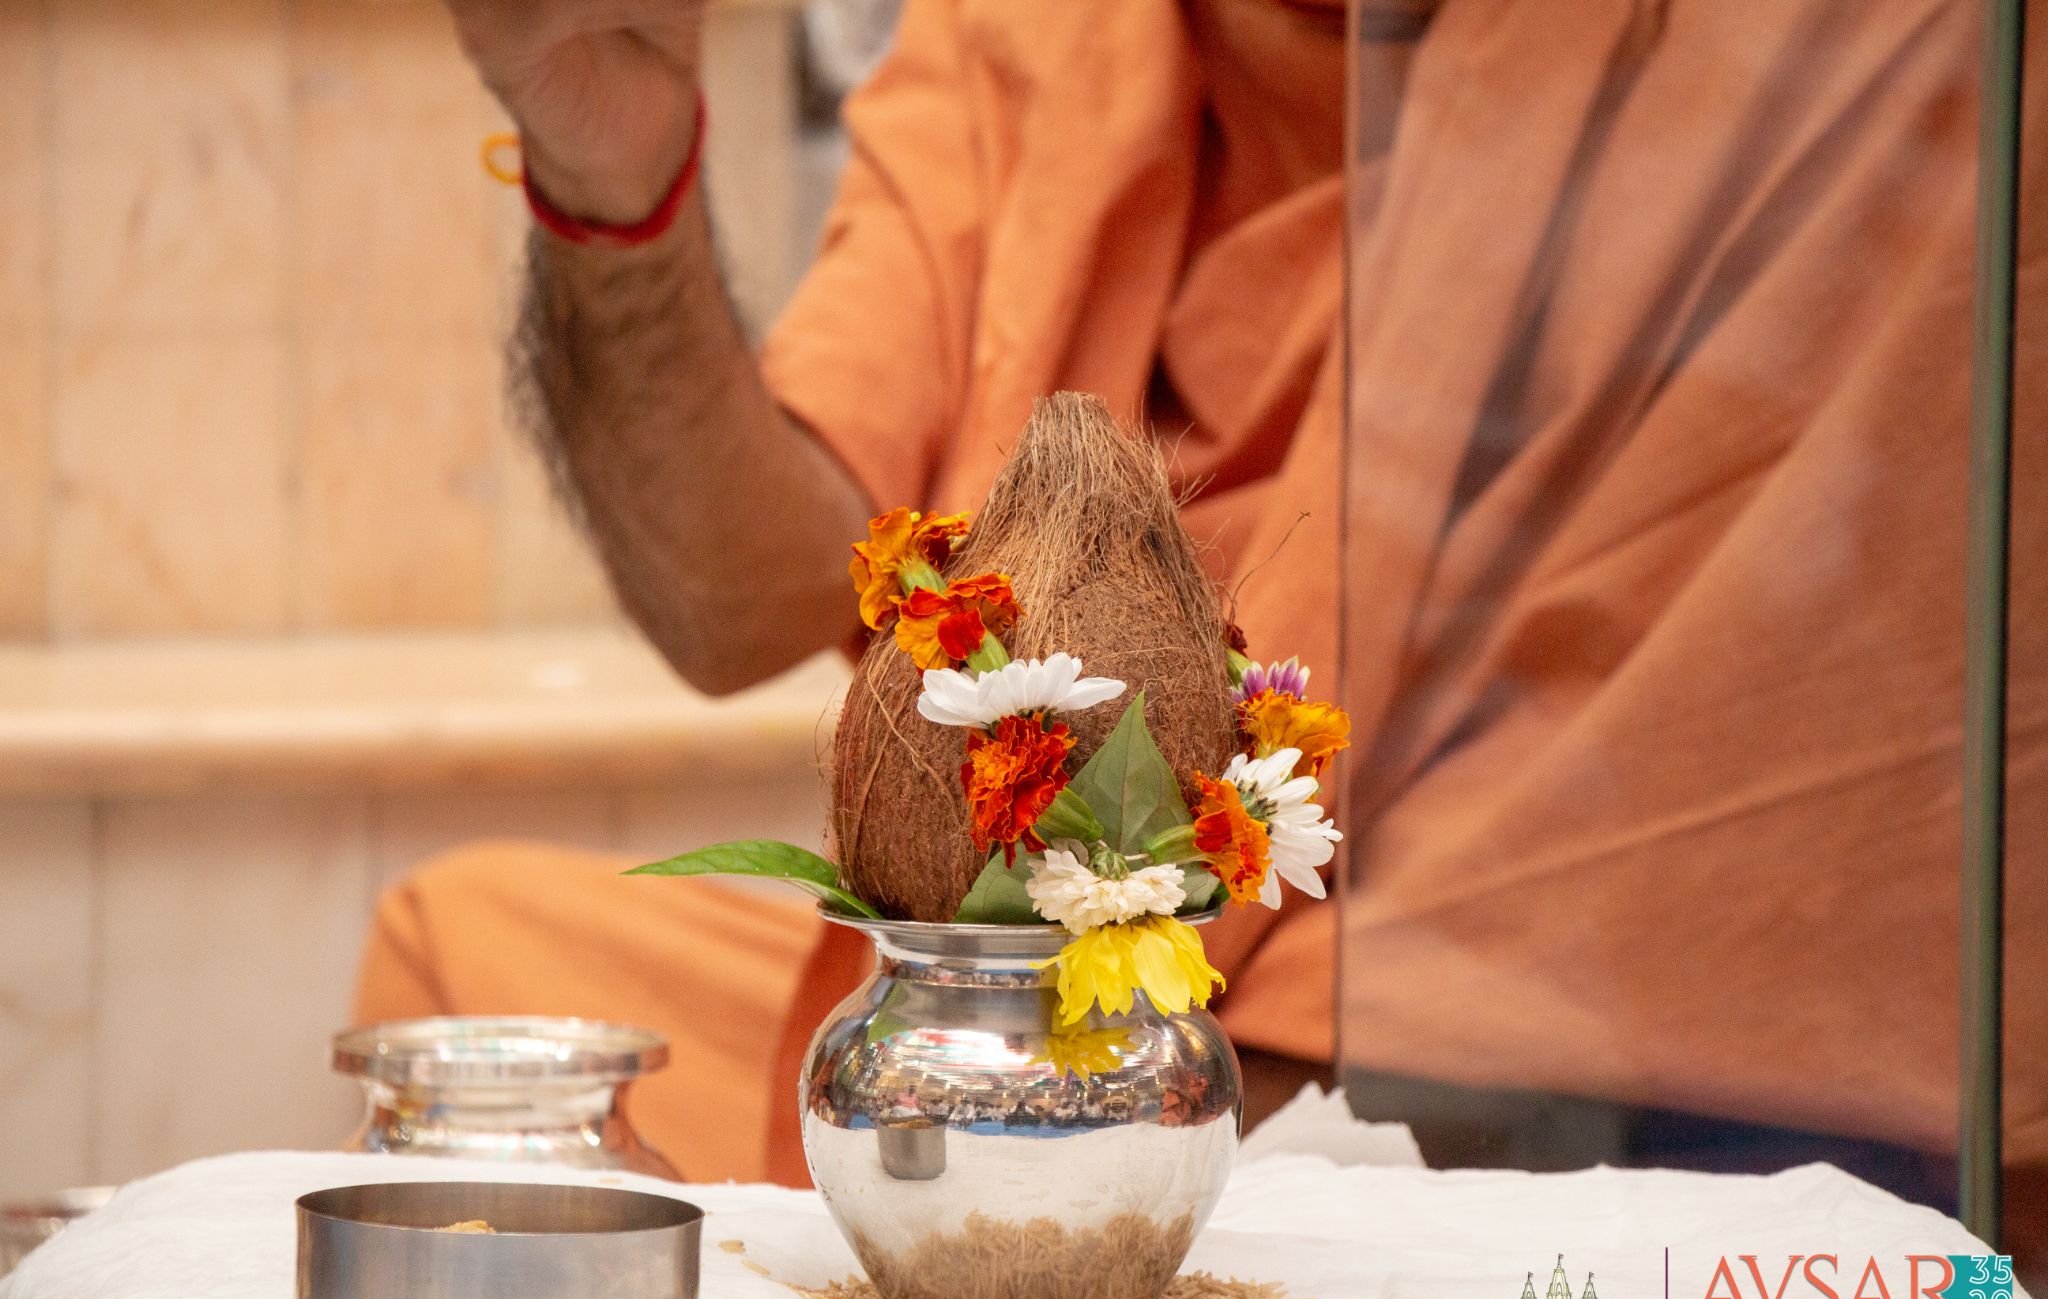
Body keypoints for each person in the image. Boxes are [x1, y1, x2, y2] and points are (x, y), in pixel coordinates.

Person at [357, 0, 2044, 1223]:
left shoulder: (1801, 45)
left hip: (1471, 1016)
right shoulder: (1042, 34)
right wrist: (620, 199)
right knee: (474, 956)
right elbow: (735, 594)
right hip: (1039, 979)